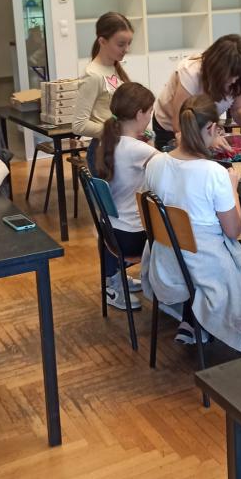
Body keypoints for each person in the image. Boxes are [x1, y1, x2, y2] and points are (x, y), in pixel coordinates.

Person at [144, 94, 241, 353]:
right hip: (205, 267)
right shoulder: (213, 173)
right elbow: (234, 230)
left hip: (168, 261)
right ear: (211, 128)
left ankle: (192, 320)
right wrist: (232, 188)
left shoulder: (155, 163)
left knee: (194, 242)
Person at [95, 82, 156, 311]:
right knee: (177, 232)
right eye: (150, 112)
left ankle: (114, 278)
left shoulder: (108, 141)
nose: (150, 117)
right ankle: (170, 291)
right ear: (140, 114)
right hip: (132, 237)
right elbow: (171, 170)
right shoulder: (138, 149)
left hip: (110, 229)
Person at [152, 34, 241, 150]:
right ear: (217, 70)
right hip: (171, 129)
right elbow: (179, 125)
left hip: (204, 128)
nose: (233, 80)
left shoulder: (239, 79)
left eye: (238, 75)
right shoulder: (191, 73)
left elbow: (238, 108)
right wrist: (209, 139)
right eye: (230, 75)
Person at [73, 12, 133, 138]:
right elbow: (79, 125)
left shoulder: (114, 67)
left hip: (119, 142)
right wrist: (121, 131)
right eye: (121, 44)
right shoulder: (93, 75)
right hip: (106, 145)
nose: (127, 49)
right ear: (102, 41)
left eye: (129, 43)